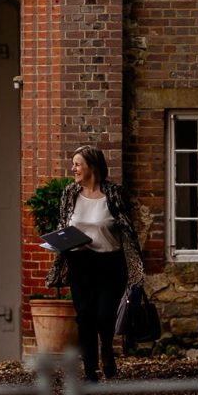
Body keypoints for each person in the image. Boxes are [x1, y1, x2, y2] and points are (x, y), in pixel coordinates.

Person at [45, 145, 145, 382]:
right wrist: (60, 241)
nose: (74, 168)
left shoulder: (114, 194)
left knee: (104, 315)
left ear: (92, 166)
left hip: (110, 263)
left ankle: (107, 351)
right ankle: (90, 370)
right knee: (84, 317)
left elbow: (128, 231)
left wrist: (136, 269)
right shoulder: (70, 194)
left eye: (78, 164)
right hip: (80, 262)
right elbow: (64, 226)